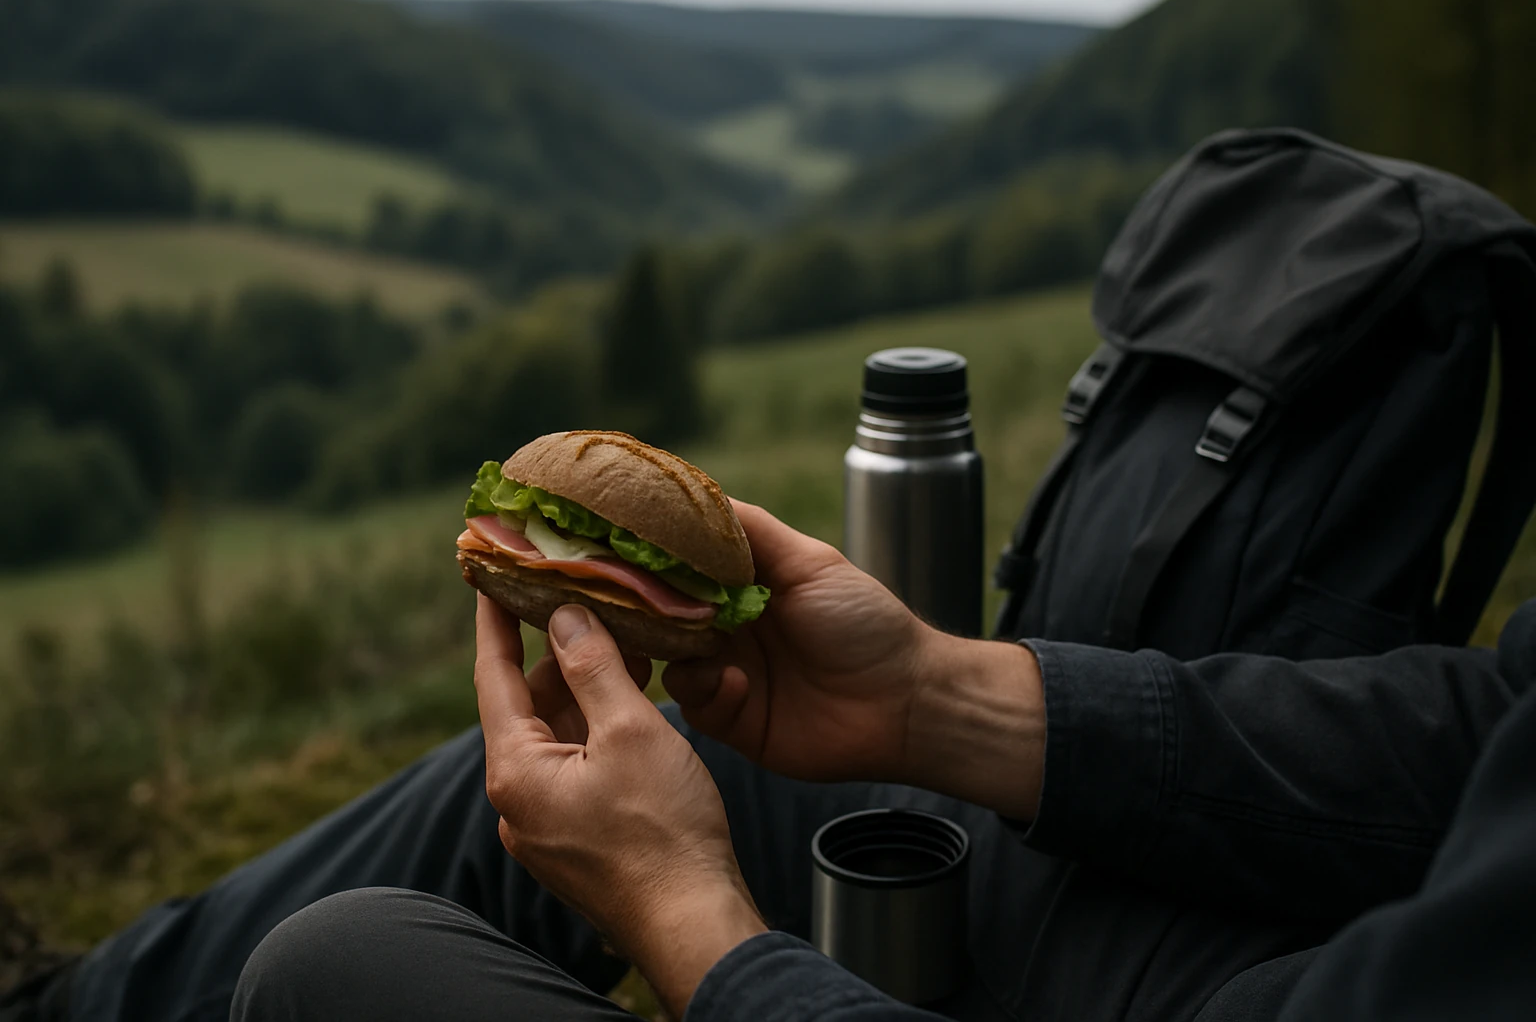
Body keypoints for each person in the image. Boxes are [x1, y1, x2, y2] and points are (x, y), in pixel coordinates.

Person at [4, 503, 1534, 1022]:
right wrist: (942, 698)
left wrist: (692, 923)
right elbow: (1479, 737)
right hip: (1311, 945)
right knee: (700, 746)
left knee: (346, 967)